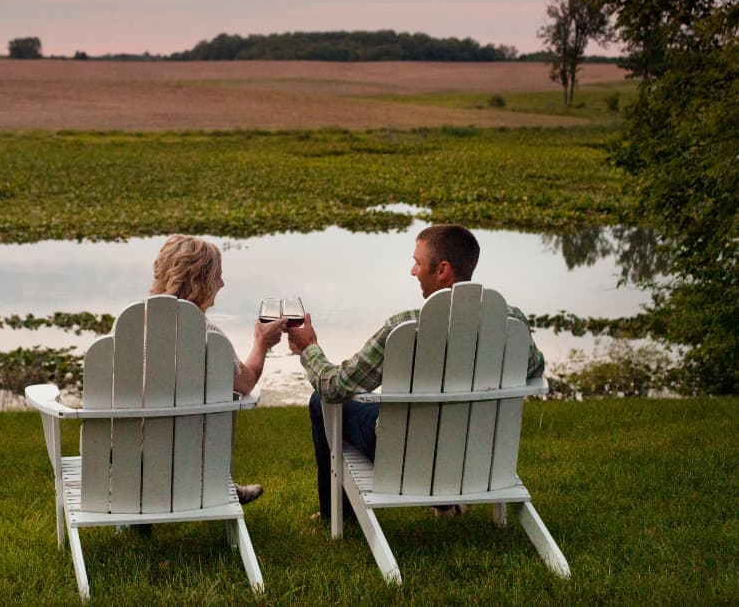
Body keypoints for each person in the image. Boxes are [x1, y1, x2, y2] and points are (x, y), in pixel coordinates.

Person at [287, 223, 545, 521]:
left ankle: (338, 515)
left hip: (407, 458)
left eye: (418, 262)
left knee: (321, 402)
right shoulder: (510, 321)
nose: (412, 271)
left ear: (442, 270)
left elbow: (333, 387)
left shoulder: (405, 328)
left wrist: (309, 349)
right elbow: (535, 369)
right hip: (482, 456)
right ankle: (446, 501)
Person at [151, 233, 285, 505]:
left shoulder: (126, 327)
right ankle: (215, 481)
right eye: (218, 276)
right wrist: (262, 343)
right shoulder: (208, 334)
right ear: (201, 281)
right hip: (185, 464)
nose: (222, 284)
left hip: (122, 464)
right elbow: (245, 384)